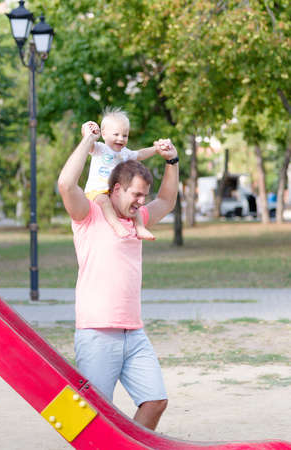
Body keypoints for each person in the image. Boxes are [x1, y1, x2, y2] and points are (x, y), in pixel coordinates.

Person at [57, 118, 179, 431]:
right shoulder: (88, 214)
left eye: (144, 196)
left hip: (133, 332)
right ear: (115, 189)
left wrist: (172, 161)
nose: (141, 202)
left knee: (155, 400)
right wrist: (88, 140)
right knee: (88, 417)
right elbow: (65, 185)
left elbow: (166, 200)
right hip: (97, 332)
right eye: (136, 195)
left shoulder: (137, 217)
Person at [82, 107, 172, 240]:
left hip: (116, 192)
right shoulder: (99, 148)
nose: (121, 139)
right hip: (97, 191)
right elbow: (87, 143)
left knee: (133, 204)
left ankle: (140, 228)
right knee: (105, 202)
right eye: (116, 134)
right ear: (104, 134)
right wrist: (87, 128)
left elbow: (141, 154)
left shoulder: (125, 153)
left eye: (125, 135)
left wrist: (156, 149)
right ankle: (116, 226)